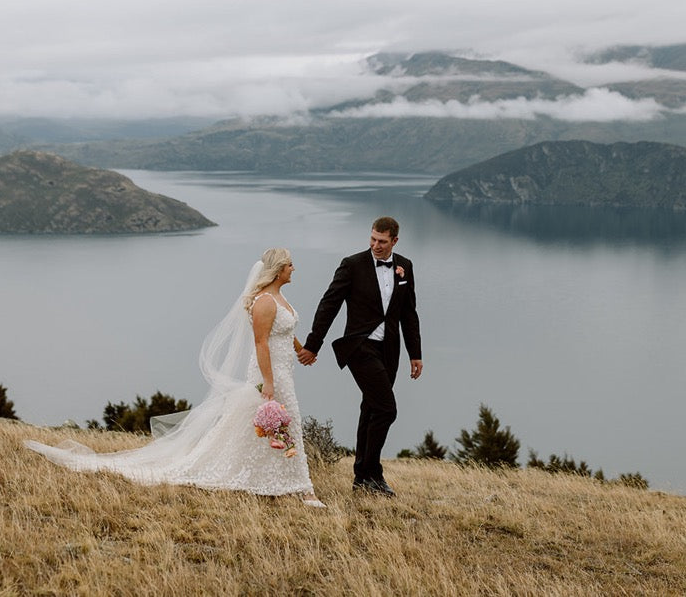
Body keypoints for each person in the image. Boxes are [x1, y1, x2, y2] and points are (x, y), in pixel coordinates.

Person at [24, 248, 325, 507]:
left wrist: (302, 351)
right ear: (277, 270)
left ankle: (274, 479)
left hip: (285, 368)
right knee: (288, 420)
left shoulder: (280, 299)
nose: (293, 268)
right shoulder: (264, 302)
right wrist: (269, 382)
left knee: (268, 425)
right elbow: (261, 343)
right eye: (289, 264)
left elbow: (284, 331)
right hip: (268, 372)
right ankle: (303, 488)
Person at [298, 216, 422, 497]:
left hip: (389, 350)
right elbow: (329, 304)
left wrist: (416, 353)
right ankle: (373, 473)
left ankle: (362, 478)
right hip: (359, 348)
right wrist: (313, 344)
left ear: (394, 241)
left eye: (382, 241)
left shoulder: (406, 267)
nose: (376, 245)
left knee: (372, 408)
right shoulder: (352, 265)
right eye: (372, 239)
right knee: (387, 409)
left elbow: (408, 313)